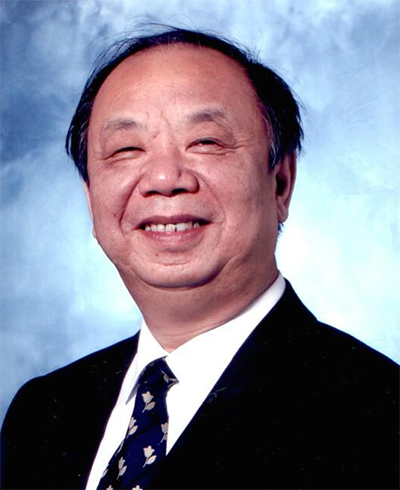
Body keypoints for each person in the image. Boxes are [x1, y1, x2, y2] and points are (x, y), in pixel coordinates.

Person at [1, 27, 398, 490]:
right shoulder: (41, 412)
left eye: (206, 141)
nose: (165, 178)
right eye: (127, 149)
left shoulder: (377, 415)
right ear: (91, 200)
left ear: (280, 183)